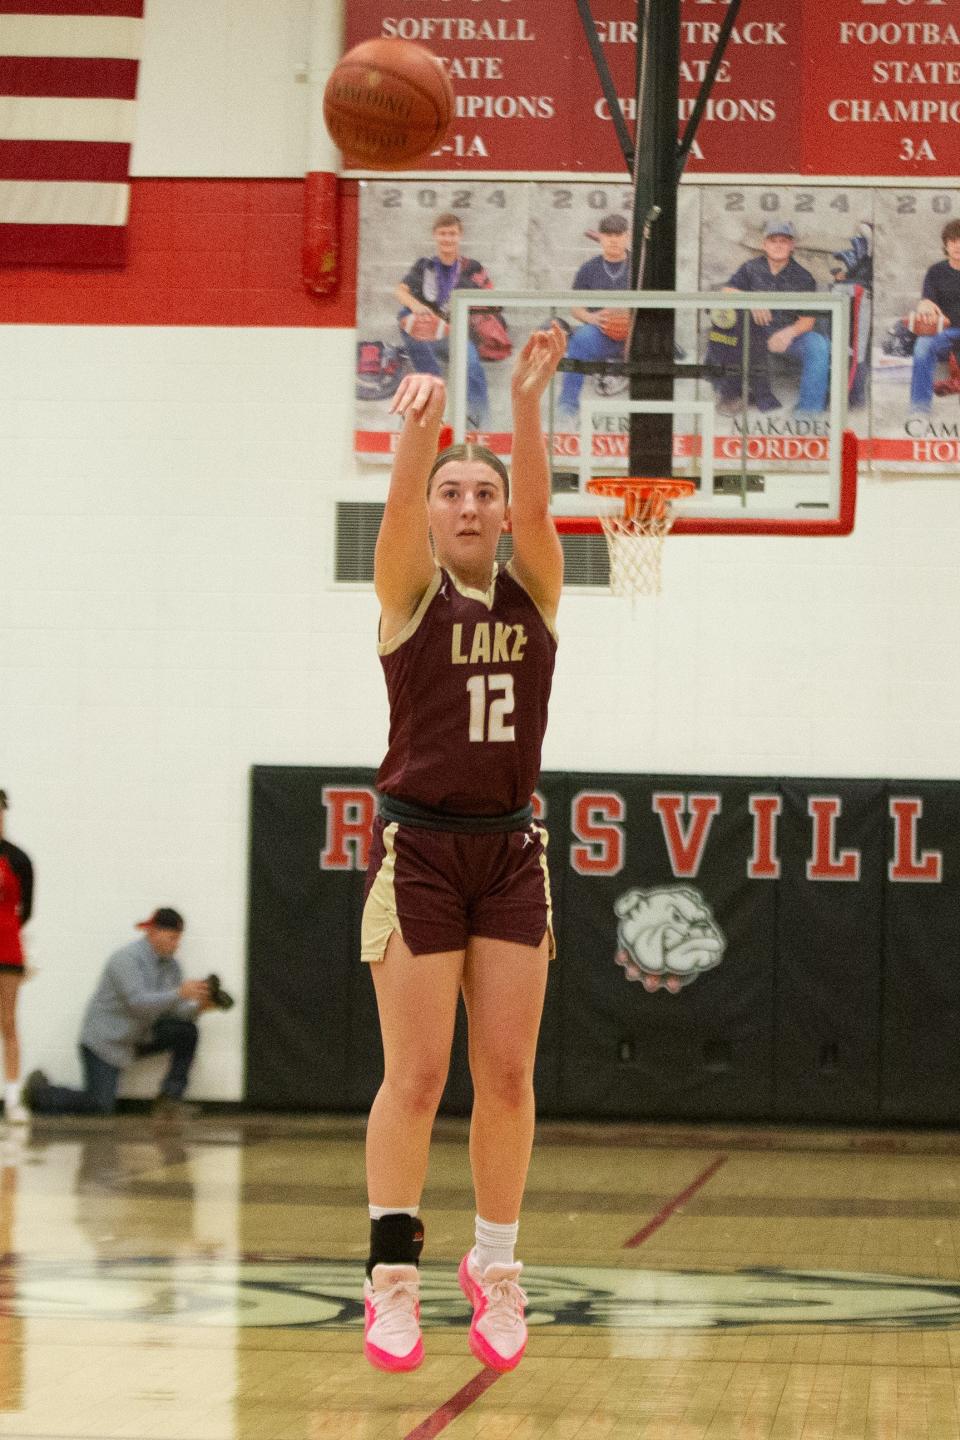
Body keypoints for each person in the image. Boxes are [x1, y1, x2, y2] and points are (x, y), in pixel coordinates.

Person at [359, 323, 567, 1376]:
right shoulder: (407, 595)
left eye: (482, 492)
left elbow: (538, 507)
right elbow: (396, 512)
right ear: (437, 516)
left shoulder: (537, 589)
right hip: (425, 851)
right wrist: (415, 438)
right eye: (457, 493)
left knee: (510, 1072)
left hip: (511, 852)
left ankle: (495, 1266)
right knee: (420, 1072)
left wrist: (526, 408)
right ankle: (392, 1278)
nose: (474, 505)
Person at [23, 907, 213, 1119]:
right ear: (153, 933)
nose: (176, 944)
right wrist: (179, 993)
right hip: (105, 1043)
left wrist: (199, 1007)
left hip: (137, 1036)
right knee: (100, 1106)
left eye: (178, 939)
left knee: (187, 1031)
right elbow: (137, 1003)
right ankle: (39, 1093)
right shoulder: (126, 960)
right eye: (171, 938)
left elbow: (173, 1008)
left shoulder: (172, 966)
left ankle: (170, 1098)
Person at [716, 218, 831, 416]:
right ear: (764, 244)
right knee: (725, 331)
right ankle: (731, 397)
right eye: (773, 240)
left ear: (791, 245)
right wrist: (752, 300)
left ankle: (808, 414)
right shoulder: (751, 268)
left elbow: (808, 320)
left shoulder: (803, 276)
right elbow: (727, 291)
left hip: (789, 338)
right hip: (754, 335)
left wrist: (789, 333)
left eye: (784, 241)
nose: (778, 245)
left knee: (818, 344)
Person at [395, 211, 493, 430]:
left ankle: (482, 425)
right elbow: (400, 292)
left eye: (452, 233)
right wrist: (417, 307)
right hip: (427, 333)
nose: (447, 238)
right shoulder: (425, 265)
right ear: (435, 236)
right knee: (404, 316)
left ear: (460, 236)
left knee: (472, 365)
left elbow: (491, 300)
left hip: (455, 334)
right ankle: (435, 386)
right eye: (442, 233)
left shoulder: (472, 268)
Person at [556, 212, 631, 424]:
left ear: (627, 236)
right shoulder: (589, 269)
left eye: (618, 235)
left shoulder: (640, 266)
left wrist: (627, 315)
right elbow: (575, 307)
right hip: (603, 332)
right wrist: (591, 318)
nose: (614, 240)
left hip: (634, 333)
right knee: (579, 341)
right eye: (608, 235)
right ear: (600, 237)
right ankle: (567, 406)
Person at [0, 791, 33, 1124]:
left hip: (7, 947)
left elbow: (28, 909)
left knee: (8, 1021)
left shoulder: (18, 859)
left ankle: (12, 1098)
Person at [909, 219, 960, 416]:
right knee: (923, 345)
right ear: (946, 245)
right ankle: (919, 412)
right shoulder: (936, 272)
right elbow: (926, 301)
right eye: (952, 240)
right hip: (945, 332)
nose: (957, 245)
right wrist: (925, 305)